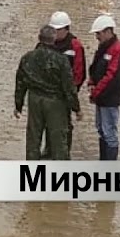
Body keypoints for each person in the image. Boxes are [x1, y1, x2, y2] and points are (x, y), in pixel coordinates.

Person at [14, 26, 82, 160]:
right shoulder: (61, 60)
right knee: (58, 140)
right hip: (55, 102)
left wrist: (18, 105)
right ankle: (60, 173)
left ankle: (32, 172)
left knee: (33, 138)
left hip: (34, 100)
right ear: (54, 39)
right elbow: (69, 87)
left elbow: (20, 83)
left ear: (39, 38)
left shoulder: (27, 58)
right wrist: (76, 108)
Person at [40, 11, 86, 159]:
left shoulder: (75, 46)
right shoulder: (45, 44)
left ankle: (65, 153)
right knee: (48, 123)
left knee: (65, 126)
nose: (55, 33)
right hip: (47, 93)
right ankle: (48, 151)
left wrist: (71, 93)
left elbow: (79, 73)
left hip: (65, 94)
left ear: (66, 29)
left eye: (57, 30)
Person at [87, 14, 120, 161]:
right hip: (102, 97)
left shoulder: (117, 50)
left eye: (98, 33)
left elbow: (111, 77)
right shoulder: (104, 48)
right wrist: (92, 83)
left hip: (110, 99)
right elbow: (96, 68)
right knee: (101, 129)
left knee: (109, 133)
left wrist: (95, 92)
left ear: (107, 31)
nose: (97, 36)